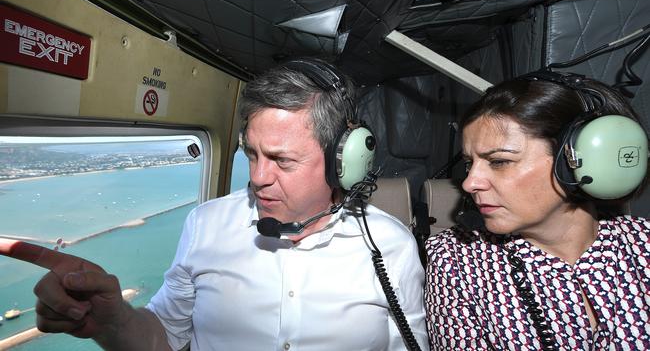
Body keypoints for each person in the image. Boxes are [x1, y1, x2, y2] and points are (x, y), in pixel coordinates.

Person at [0, 58, 427, 350]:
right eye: (252, 154)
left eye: (282, 160)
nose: (258, 178)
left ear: (344, 163)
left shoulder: (391, 245)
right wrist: (115, 322)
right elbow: (163, 336)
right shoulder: (206, 224)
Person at [424, 72, 650, 350]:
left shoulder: (644, 245)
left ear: (580, 160)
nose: (470, 183)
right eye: (470, 163)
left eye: (499, 161)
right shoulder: (457, 261)